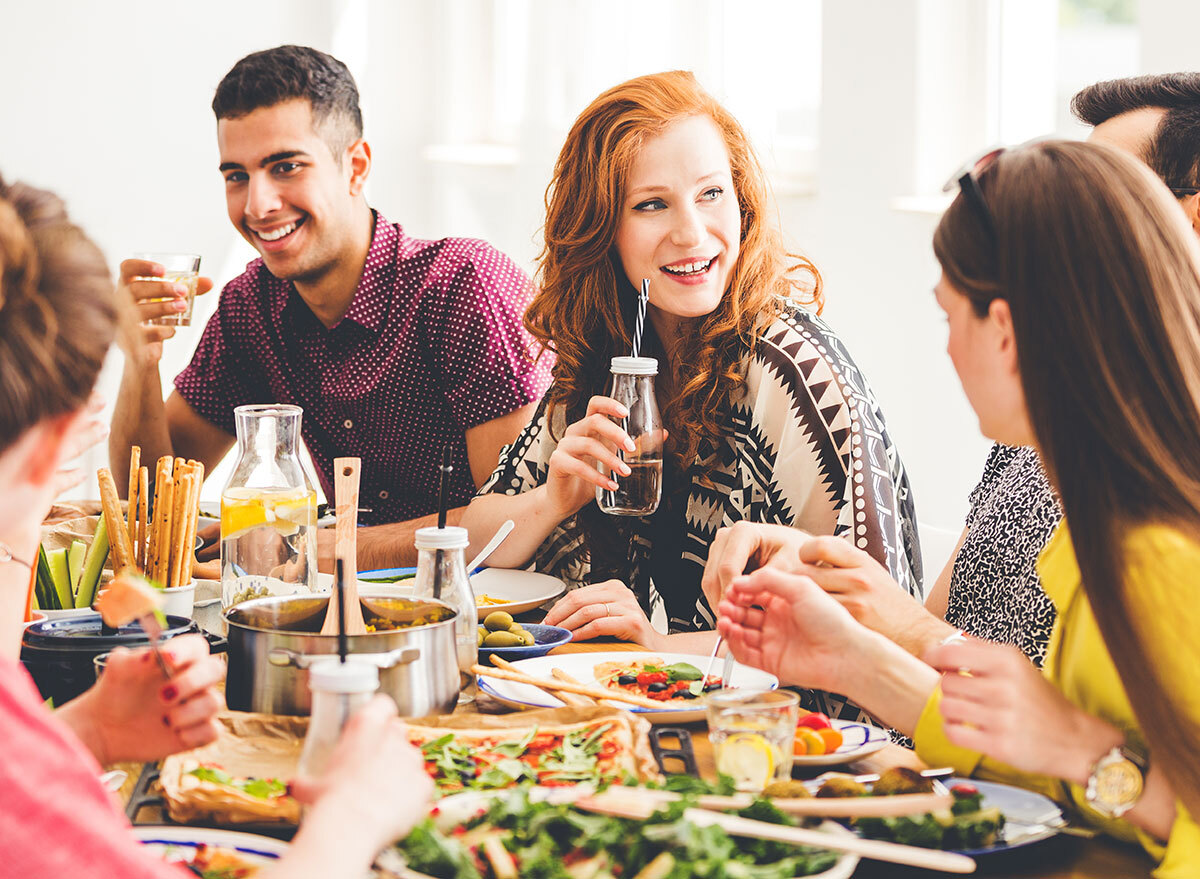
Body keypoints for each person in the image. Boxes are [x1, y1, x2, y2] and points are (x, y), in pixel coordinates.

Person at [718, 141, 1200, 874]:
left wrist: (1081, 745)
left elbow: (1100, 770)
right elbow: (1085, 783)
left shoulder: (1163, 557)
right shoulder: (1102, 522)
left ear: (1004, 331)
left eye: (949, 317)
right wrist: (857, 659)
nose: (945, 349)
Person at [0, 175, 431, 877]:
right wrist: (352, 816)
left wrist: (86, 730)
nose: (260, 202)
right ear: (55, 442)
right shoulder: (247, 309)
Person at [461, 71, 920, 719]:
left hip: (808, 742)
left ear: (744, 204)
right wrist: (551, 498)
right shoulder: (607, 358)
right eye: (652, 204)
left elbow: (866, 624)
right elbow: (474, 549)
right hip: (666, 718)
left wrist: (661, 648)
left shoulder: (790, 366)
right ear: (602, 228)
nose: (692, 232)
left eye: (711, 194)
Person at [704, 71, 1200, 669]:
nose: (1065, 224)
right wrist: (850, 596)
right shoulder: (1040, 426)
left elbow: (1072, 737)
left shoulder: (1162, 498)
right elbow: (948, 639)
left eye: (1108, 199)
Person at [108, 45, 552, 570]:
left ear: (355, 167)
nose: (257, 205)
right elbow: (156, 507)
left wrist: (319, 547)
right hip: (346, 614)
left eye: (286, 167)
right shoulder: (250, 306)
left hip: (504, 618)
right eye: (237, 176)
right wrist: (140, 360)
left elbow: (514, 524)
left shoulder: (460, 283)